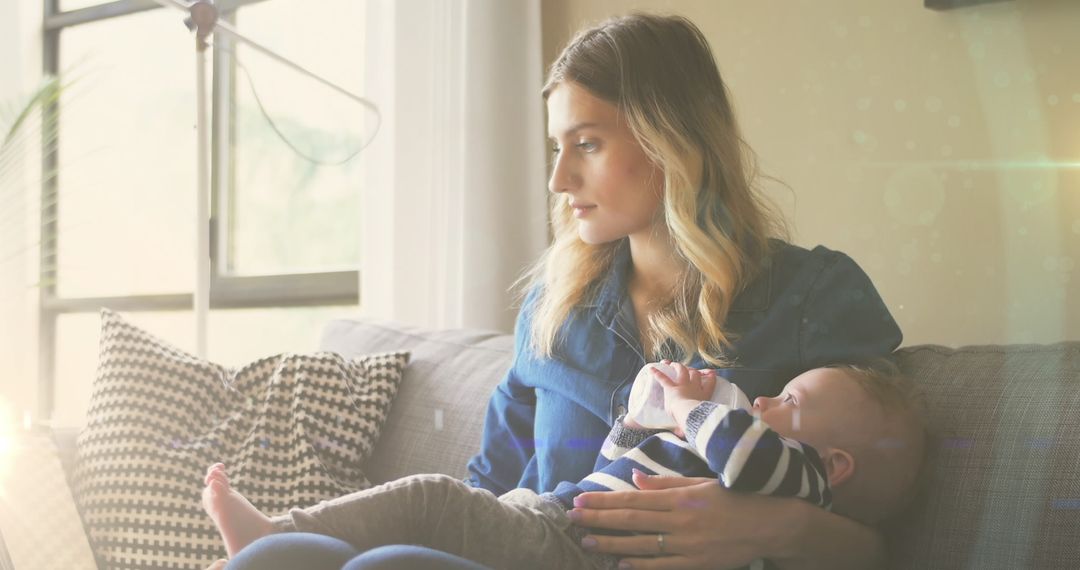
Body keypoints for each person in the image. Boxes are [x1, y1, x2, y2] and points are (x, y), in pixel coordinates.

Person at [220, 12, 905, 570]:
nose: (559, 181)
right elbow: (487, 492)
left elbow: (886, 539)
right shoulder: (553, 309)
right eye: (557, 147)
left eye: (588, 144)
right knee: (297, 555)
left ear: (672, 141)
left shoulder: (816, 297)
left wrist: (770, 528)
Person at [205, 361, 924, 570]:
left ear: (835, 465)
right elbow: (614, 463)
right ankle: (271, 538)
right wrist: (639, 420)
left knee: (400, 542)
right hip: (547, 518)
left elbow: (742, 453)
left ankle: (273, 529)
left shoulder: (797, 476)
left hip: (567, 551)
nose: (767, 394)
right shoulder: (557, 310)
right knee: (291, 559)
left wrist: (686, 407)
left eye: (792, 398)